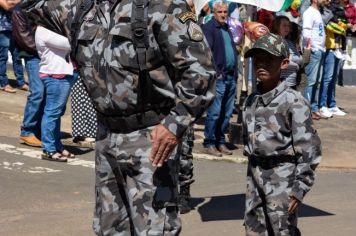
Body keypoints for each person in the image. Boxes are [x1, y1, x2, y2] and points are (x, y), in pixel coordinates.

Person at [21, 0, 216, 234]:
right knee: (110, 228)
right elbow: (29, 4)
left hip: (150, 138)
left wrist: (174, 125)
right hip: (106, 137)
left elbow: (200, 74)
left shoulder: (164, 7)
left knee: (154, 229)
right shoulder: (82, 8)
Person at [243, 33, 322, 235]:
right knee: (254, 230)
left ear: (284, 63)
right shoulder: (250, 101)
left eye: (268, 59)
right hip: (255, 177)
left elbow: (310, 152)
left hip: (282, 179)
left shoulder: (294, 102)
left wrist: (299, 189)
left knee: (282, 230)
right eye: (257, 59)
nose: (261, 64)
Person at [35, 25, 77, 162]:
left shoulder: (53, 29)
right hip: (56, 75)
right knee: (52, 113)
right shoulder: (44, 31)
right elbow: (70, 43)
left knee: (56, 113)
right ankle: (48, 149)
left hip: (63, 74)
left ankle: (57, 146)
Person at [202, 0, 238, 157]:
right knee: (215, 112)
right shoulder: (209, 28)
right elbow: (207, 53)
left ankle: (220, 141)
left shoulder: (226, 27)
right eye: (220, 12)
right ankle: (209, 142)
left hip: (231, 76)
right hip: (220, 77)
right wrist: (217, 73)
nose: (223, 14)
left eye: (225, 12)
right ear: (214, 12)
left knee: (227, 113)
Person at [12, 6, 43, 147]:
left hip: (47, 54)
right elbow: (24, 38)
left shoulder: (45, 7)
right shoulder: (20, 10)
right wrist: (43, 49)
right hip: (34, 55)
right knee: (37, 92)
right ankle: (27, 131)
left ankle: (41, 129)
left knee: (48, 93)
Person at [319, 0, 348, 117]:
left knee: (332, 79)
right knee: (327, 78)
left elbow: (344, 24)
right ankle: (323, 105)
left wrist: (343, 25)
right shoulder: (323, 11)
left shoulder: (334, 9)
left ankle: (331, 104)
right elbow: (329, 26)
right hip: (328, 48)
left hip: (338, 48)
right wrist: (342, 28)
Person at [302, 0, 327, 120]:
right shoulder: (309, 12)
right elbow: (306, 32)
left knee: (316, 82)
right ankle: (306, 111)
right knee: (310, 82)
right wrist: (311, 48)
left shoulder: (317, 12)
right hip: (313, 51)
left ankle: (313, 108)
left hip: (319, 50)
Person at [0, 0, 27, 93]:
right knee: (2, 57)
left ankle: (21, 82)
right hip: (2, 29)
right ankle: (3, 83)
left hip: (16, 28)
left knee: (18, 56)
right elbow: (7, 6)